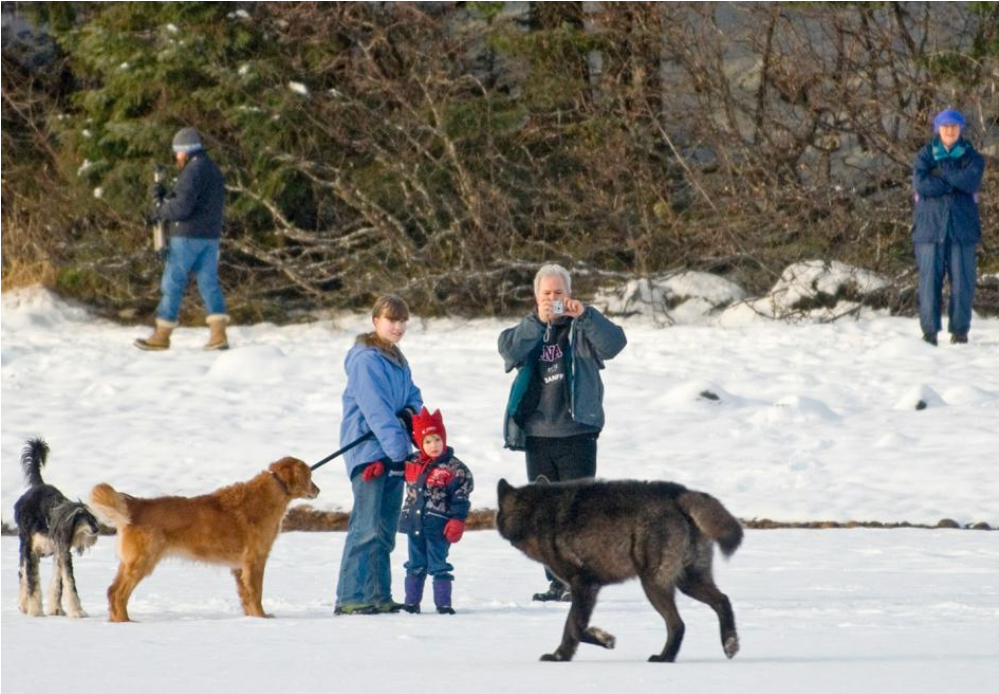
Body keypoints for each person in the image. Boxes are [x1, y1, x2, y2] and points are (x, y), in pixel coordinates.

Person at [498, 263, 627, 601]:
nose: (554, 299)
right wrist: (537, 322)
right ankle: (558, 581)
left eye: (559, 293)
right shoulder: (528, 329)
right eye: (547, 294)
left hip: (577, 432)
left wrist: (585, 315)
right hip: (538, 435)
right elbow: (508, 349)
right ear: (536, 296)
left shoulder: (583, 327)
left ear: (569, 295)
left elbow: (615, 344)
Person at [335, 294, 423, 615]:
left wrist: (413, 416)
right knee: (367, 527)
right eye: (391, 320)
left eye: (402, 321)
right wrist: (400, 450)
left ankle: (378, 595)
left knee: (385, 530)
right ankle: (351, 596)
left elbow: (414, 397)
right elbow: (377, 411)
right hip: (370, 453)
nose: (397, 326)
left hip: (395, 454)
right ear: (376, 322)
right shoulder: (365, 360)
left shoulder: (398, 359)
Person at [135, 127, 230, 351]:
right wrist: (167, 198)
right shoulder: (212, 169)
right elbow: (191, 200)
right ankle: (219, 335)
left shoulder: (193, 170)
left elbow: (181, 208)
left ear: (186, 151)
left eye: (178, 152)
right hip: (210, 237)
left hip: (187, 236)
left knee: (173, 282)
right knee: (209, 283)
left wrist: (160, 208)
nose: (177, 157)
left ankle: (162, 335)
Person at [912, 108, 986, 345]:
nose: (949, 131)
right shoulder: (924, 154)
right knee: (929, 282)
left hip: (962, 229)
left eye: (954, 127)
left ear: (960, 129)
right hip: (929, 229)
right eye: (944, 127)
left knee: (963, 282)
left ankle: (960, 331)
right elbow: (921, 185)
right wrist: (953, 183)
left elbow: (970, 181)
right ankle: (929, 332)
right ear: (938, 129)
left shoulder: (972, 157)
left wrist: (942, 173)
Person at [398, 407, 474, 615]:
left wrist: (458, 520)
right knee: (415, 564)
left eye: (438, 439)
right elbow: (395, 470)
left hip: (439, 526)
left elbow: (461, 496)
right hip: (414, 524)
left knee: (438, 564)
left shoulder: (455, 468)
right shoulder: (412, 462)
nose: (434, 445)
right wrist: (379, 467)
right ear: (420, 443)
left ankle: (443, 604)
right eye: (428, 441)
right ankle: (411, 604)